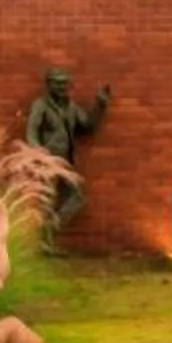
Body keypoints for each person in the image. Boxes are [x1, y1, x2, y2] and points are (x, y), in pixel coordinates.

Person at [24, 68, 110, 232]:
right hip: (48, 161)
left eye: (64, 83)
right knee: (47, 200)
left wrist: (100, 106)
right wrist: (39, 156)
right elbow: (31, 132)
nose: (62, 87)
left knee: (77, 197)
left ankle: (51, 227)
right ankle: (42, 238)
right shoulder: (41, 105)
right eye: (58, 83)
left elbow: (88, 126)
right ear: (49, 85)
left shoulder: (71, 107)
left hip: (65, 162)